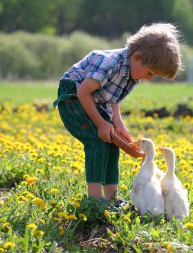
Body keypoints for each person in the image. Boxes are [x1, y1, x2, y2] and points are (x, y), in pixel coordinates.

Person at [53, 23, 182, 202]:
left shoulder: (132, 75)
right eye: (150, 73)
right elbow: (84, 92)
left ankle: (111, 199)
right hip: (73, 97)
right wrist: (100, 123)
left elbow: (113, 100)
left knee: (113, 145)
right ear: (137, 57)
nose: (149, 78)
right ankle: (95, 200)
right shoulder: (110, 64)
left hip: (97, 101)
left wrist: (118, 124)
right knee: (97, 143)